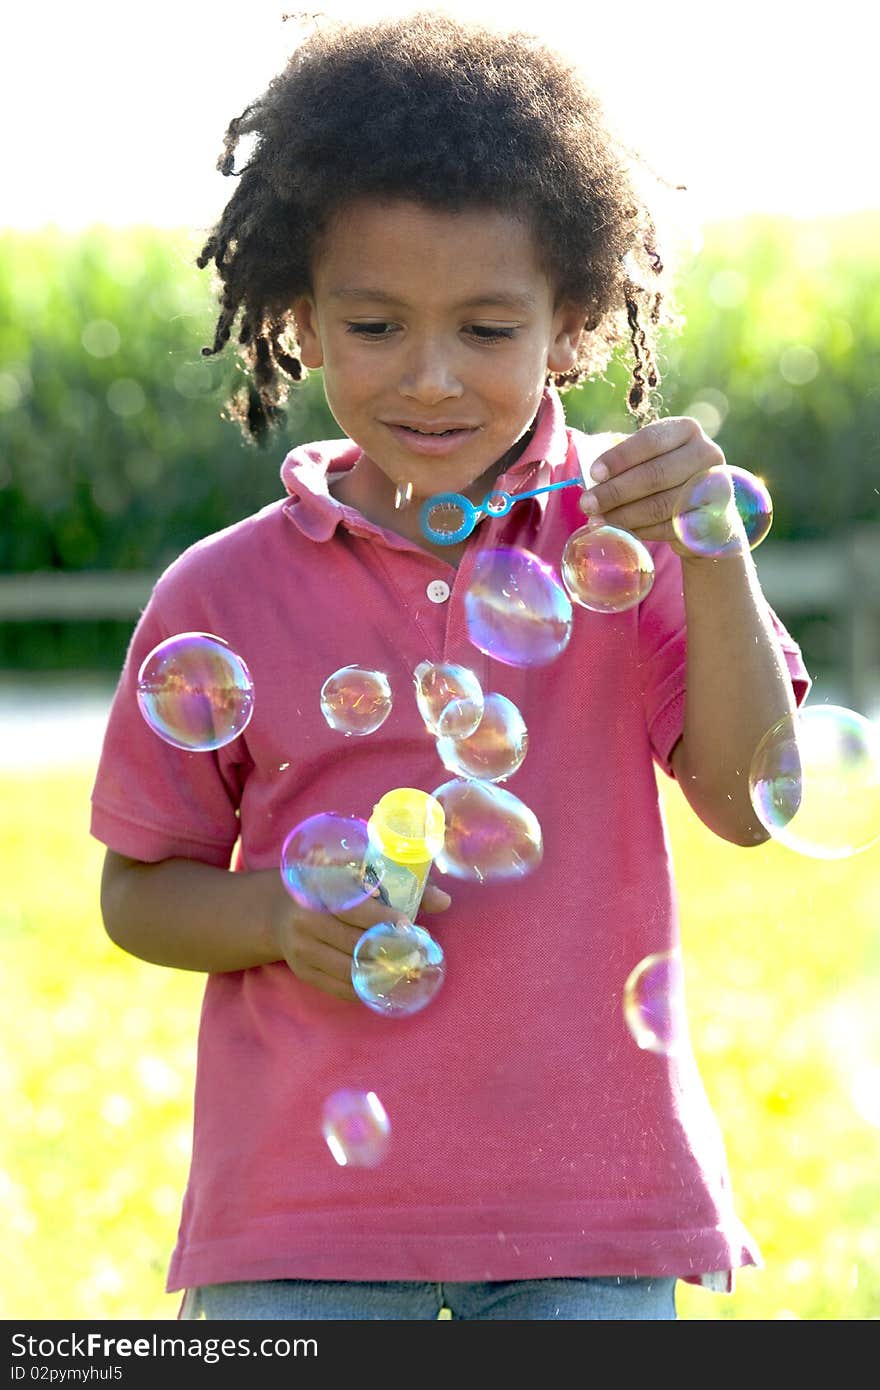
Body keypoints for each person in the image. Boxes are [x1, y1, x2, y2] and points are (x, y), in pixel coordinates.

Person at [91, 9, 811, 1322]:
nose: (430, 379)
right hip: (299, 1223)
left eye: (488, 330)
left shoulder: (630, 548)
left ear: (574, 320)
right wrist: (273, 919)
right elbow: (139, 892)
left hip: (589, 1217)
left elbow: (753, 804)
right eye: (375, 327)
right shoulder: (222, 593)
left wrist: (714, 552)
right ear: (302, 321)